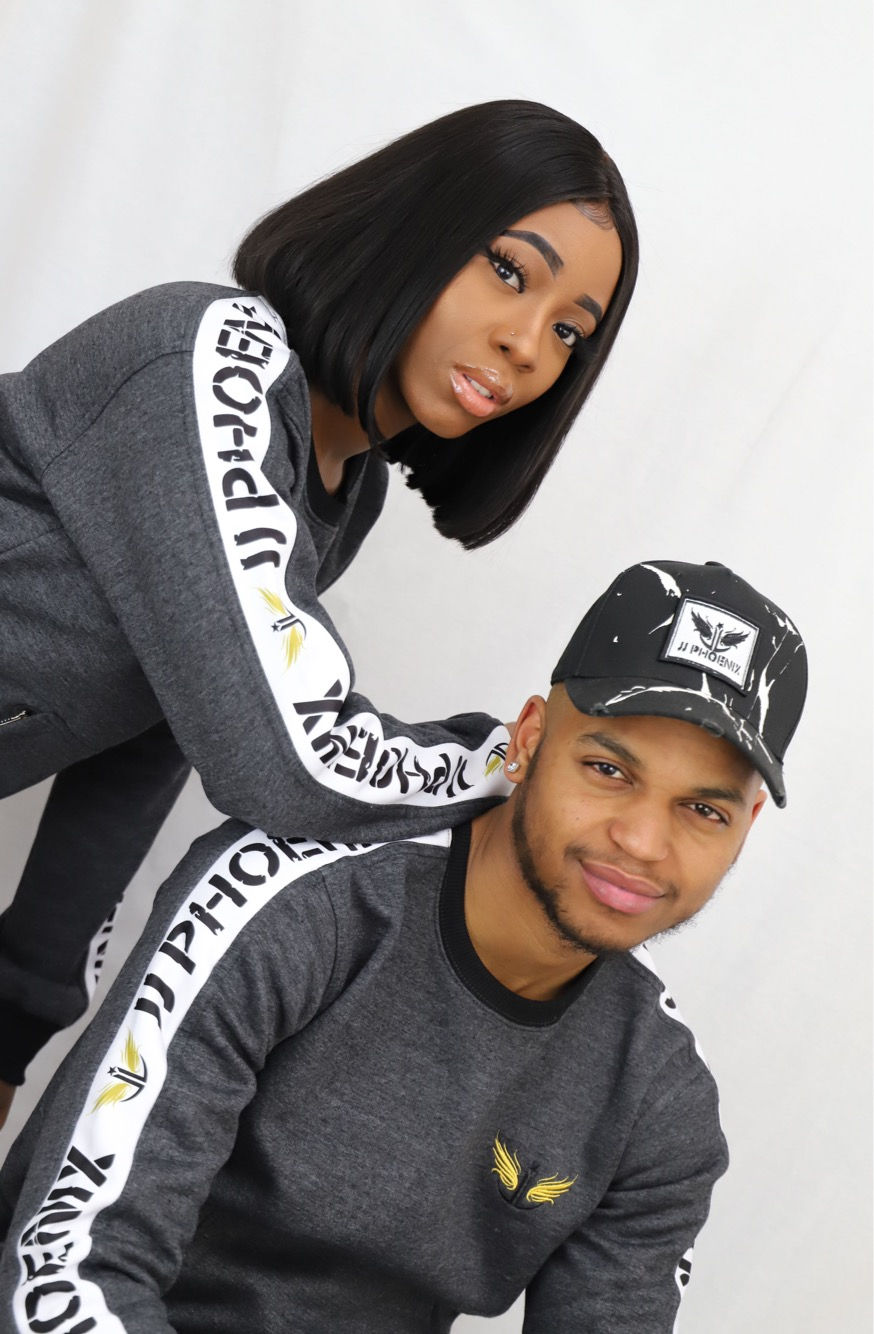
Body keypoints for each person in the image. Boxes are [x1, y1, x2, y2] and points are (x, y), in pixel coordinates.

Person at [0, 99, 638, 1117]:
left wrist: (15, 1021)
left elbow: (153, 743)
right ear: (415, 226)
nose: (527, 343)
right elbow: (284, 754)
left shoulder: (340, 495)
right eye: (508, 270)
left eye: (569, 331)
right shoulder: (211, 356)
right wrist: (512, 759)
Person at [0, 559, 807, 1332]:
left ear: (744, 830)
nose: (641, 842)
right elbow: (69, 1268)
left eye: (703, 811)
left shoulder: (658, 1099)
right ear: (528, 738)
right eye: (608, 770)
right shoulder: (299, 904)